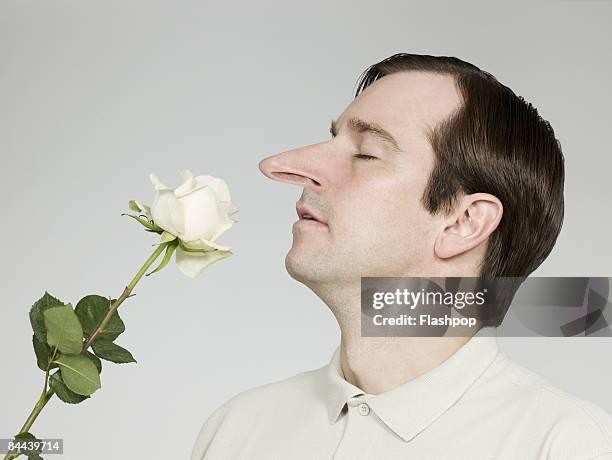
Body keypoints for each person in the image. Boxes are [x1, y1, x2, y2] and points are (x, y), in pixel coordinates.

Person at [191, 53, 612, 459]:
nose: (282, 165)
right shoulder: (236, 429)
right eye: (334, 139)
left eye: (366, 153)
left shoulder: (569, 448)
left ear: (463, 222)